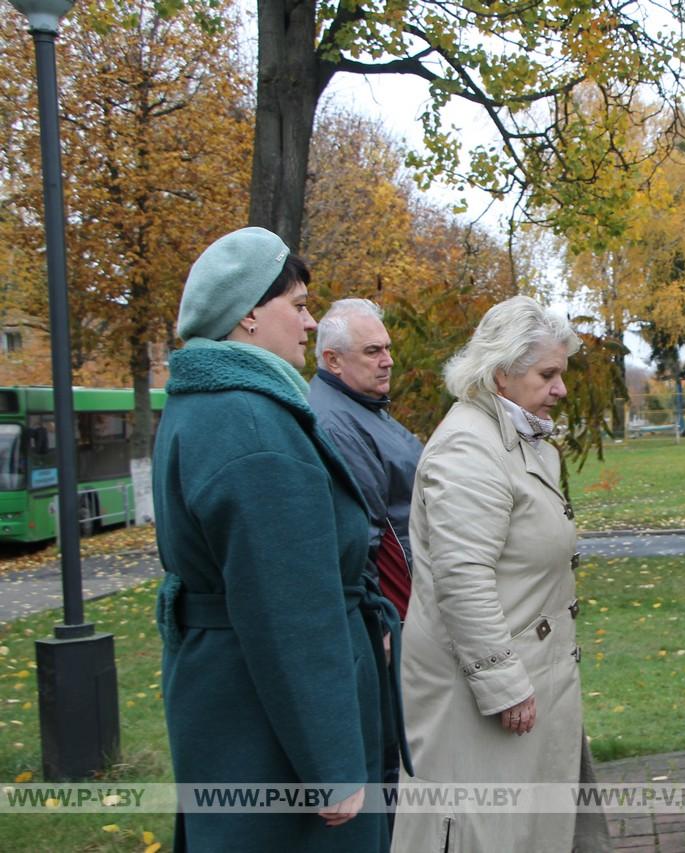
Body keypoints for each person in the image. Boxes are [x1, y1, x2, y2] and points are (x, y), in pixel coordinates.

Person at [153, 227, 409, 852]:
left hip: (234, 694)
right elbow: (290, 606)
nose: (309, 321)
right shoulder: (252, 424)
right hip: (269, 726)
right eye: (296, 305)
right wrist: (331, 765)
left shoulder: (212, 403)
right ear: (247, 314)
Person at [393, 296, 609, 852]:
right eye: (548, 374)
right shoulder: (469, 446)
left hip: (532, 677)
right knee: (484, 832)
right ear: (499, 376)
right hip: (485, 697)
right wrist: (503, 684)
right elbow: (460, 579)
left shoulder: (516, 437)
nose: (561, 388)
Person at [309, 299, 422, 619]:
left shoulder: (361, 406)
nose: (388, 361)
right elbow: (361, 538)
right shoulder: (336, 425)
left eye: (387, 348)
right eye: (373, 352)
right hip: (396, 608)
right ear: (333, 361)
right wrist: (381, 622)